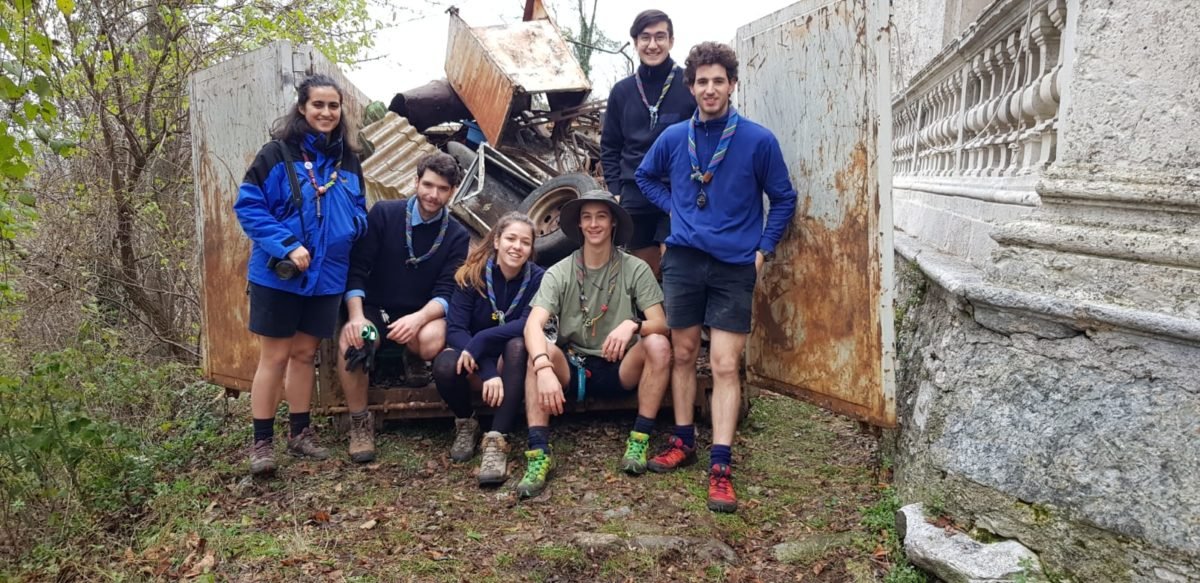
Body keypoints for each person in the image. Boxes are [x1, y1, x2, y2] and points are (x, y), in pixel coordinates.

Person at [636, 41, 798, 512]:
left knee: (725, 364)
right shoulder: (672, 138)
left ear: (732, 85)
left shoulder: (757, 140)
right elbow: (646, 179)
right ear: (691, 87)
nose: (710, 89)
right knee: (684, 353)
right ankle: (683, 440)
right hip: (684, 260)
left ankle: (721, 464)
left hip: (733, 264)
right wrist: (679, 211)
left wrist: (763, 250)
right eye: (702, 81)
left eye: (718, 81)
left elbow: (783, 198)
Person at [234, 74, 368, 476]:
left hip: (327, 275)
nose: (326, 113)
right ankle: (262, 443)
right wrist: (287, 243)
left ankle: (300, 433)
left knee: (305, 354)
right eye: (318, 105)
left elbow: (359, 208)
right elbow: (249, 207)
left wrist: (350, 228)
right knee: (274, 356)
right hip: (280, 275)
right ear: (302, 108)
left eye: (333, 106)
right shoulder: (275, 155)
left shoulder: (349, 160)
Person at [517, 190, 671, 499]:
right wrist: (544, 367)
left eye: (601, 216)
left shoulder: (635, 268)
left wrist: (633, 324)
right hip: (573, 365)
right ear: (579, 225)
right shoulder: (560, 271)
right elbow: (533, 325)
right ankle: (538, 453)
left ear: (613, 222)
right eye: (587, 217)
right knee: (538, 352)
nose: (594, 224)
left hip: (620, 365)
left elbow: (662, 324)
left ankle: (639, 438)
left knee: (657, 344)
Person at [337, 152, 471, 463]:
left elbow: (448, 290)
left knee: (431, 340)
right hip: (376, 308)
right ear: (416, 181)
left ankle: (412, 355)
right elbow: (357, 269)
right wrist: (355, 318)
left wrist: (419, 317)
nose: (433, 195)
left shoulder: (456, 234)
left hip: (421, 314)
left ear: (451, 192)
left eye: (442, 189)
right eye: (427, 185)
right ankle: (360, 422)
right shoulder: (385, 214)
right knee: (354, 342)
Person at [433, 212, 545, 485]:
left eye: (525, 242)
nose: (516, 247)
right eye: (510, 238)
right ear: (496, 240)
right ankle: (466, 422)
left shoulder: (538, 278)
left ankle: (497, 439)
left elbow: (527, 323)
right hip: (475, 360)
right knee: (445, 364)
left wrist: (482, 339)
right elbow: (455, 329)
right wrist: (487, 370)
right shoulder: (473, 274)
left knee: (518, 345)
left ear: (531, 249)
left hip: (509, 360)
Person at [600, 9, 695, 278]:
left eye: (660, 37)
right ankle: (655, 320)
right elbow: (610, 145)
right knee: (646, 273)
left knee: (675, 265)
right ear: (635, 42)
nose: (652, 45)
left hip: (677, 191)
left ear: (671, 41)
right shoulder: (622, 90)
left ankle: (681, 320)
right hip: (634, 192)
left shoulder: (689, 84)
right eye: (645, 38)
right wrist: (617, 189)